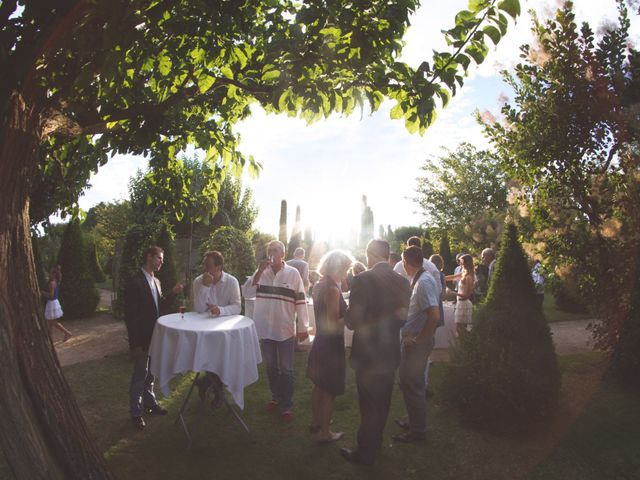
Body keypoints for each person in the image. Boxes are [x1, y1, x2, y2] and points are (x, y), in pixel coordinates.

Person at [340, 239, 411, 466]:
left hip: (368, 354)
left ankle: (365, 453)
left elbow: (353, 321)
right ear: (388, 256)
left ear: (370, 254)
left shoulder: (363, 279)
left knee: (368, 404)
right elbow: (402, 319)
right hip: (389, 351)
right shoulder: (402, 281)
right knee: (383, 402)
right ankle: (375, 442)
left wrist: (347, 312)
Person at [242, 240, 309, 423]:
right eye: (269, 250)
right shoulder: (261, 272)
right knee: (271, 368)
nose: (271, 253)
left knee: (286, 370)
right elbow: (246, 294)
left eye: (275, 250)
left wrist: (303, 327)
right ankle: (276, 397)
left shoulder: (293, 273)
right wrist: (258, 273)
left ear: (283, 255)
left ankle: (287, 405)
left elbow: (301, 301)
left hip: (285, 329)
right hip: (265, 329)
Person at [124, 246, 183, 430]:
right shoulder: (135, 282)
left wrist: (172, 293)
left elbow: (159, 307)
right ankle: (135, 412)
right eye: (159, 258)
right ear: (149, 257)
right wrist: (135, 344)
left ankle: (150, 402)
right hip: (142, 339)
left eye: (162, 259)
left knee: (151, 374)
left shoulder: (156, 281)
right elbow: (131, 317)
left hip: (155, 338)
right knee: (140, 375)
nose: (161, 262)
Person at [394, 246, 440, 443]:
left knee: (412, 383)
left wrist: (418, 339)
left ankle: (418, 430)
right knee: (410, 383)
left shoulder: (424, 282)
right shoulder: (421, 279)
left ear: (405, 262)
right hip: (413, 340)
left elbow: (434, 315)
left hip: (417, 343)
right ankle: (413, 420)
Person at [306, 249, 354, 443]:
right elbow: (333, 322)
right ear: (340, 267)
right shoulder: (332, 289)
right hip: (331, 344)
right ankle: (325, 432)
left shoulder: (320, 284)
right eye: (347, 268)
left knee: (319, 385)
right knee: (330, 389)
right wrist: (351, 314)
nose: (348, 272)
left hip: (320, 341)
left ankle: (317, 421)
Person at [192, 251, 241, 404]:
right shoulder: (198, 281)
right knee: (211, 358)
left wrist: (220, 310)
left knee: (224, 357)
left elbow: (237, 307)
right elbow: (199, 308)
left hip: (225, 328)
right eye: (204, 264)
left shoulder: (232, 281)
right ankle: (215, 390)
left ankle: (208, 384)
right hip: (205, 329)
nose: (204, 268)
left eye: (208, 265)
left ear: (219, 266)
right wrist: (205, 286)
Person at [446, 254, 476, 337]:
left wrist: (452, 292)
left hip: (464, 304)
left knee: (461, 329)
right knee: (459, 329)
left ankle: (464, 346)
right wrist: (440, 277)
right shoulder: (463, 273)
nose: (460, 264)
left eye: (461, 263)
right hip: (460, 303)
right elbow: (452, 277)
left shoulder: (469, 277)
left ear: (466, 263)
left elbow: (466, 295)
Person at [44, 265, 72, 342]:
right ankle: (50, 338)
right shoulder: (55, 282)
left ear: (53, 274)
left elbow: (51, 295)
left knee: (51, 322)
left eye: (50, 272)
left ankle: (67, 332)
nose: (48, 274)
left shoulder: (52, 283)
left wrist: (42, 293)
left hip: (52, 303)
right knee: (50, 323)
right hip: (54, 302)